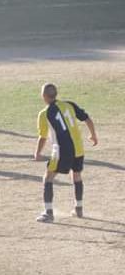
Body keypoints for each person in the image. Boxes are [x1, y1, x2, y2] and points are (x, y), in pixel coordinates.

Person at [34, 83, 98, 223]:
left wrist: (37, 153)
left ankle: (48, 213)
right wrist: (93, 135)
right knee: (76, 175)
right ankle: (78, 208)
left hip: (62, 150)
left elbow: (43, 137)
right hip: (79, 148)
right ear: (55, 94)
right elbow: (87, 119)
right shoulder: (69, 105)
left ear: (44, 96)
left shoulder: (44, 114)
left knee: (48, 177)